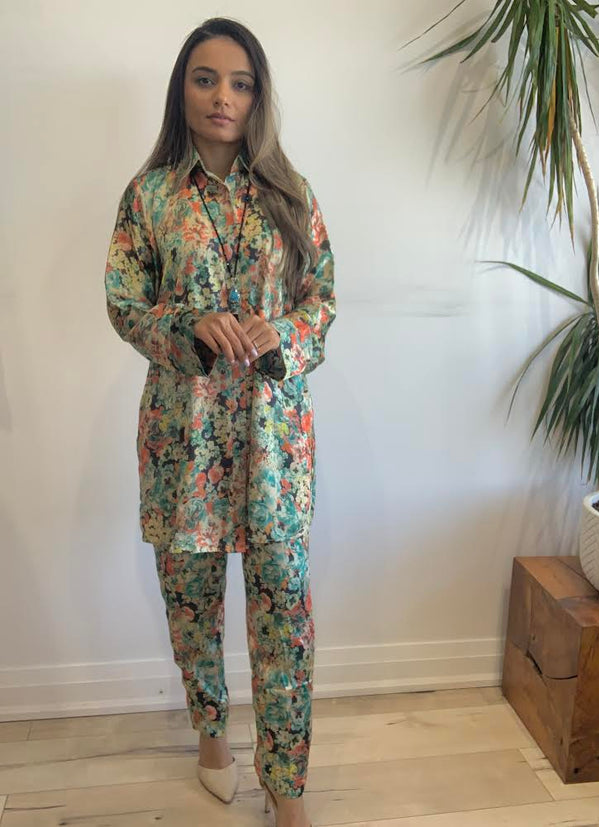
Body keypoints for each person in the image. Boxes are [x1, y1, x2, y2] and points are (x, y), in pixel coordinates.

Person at [104, 15, 335, 827]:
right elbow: (123, 303)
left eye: (240, 82)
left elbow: (322, 300)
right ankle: (211, 737)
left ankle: (287, 784)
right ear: (183, 90)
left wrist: (286, 335)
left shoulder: (292, 194)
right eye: (205, 79)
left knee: (285, 617)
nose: (222, 97)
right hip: (185, 438)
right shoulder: (150, 197)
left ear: (258, 96)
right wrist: (187, 326)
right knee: (192, 603)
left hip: (275, 445)